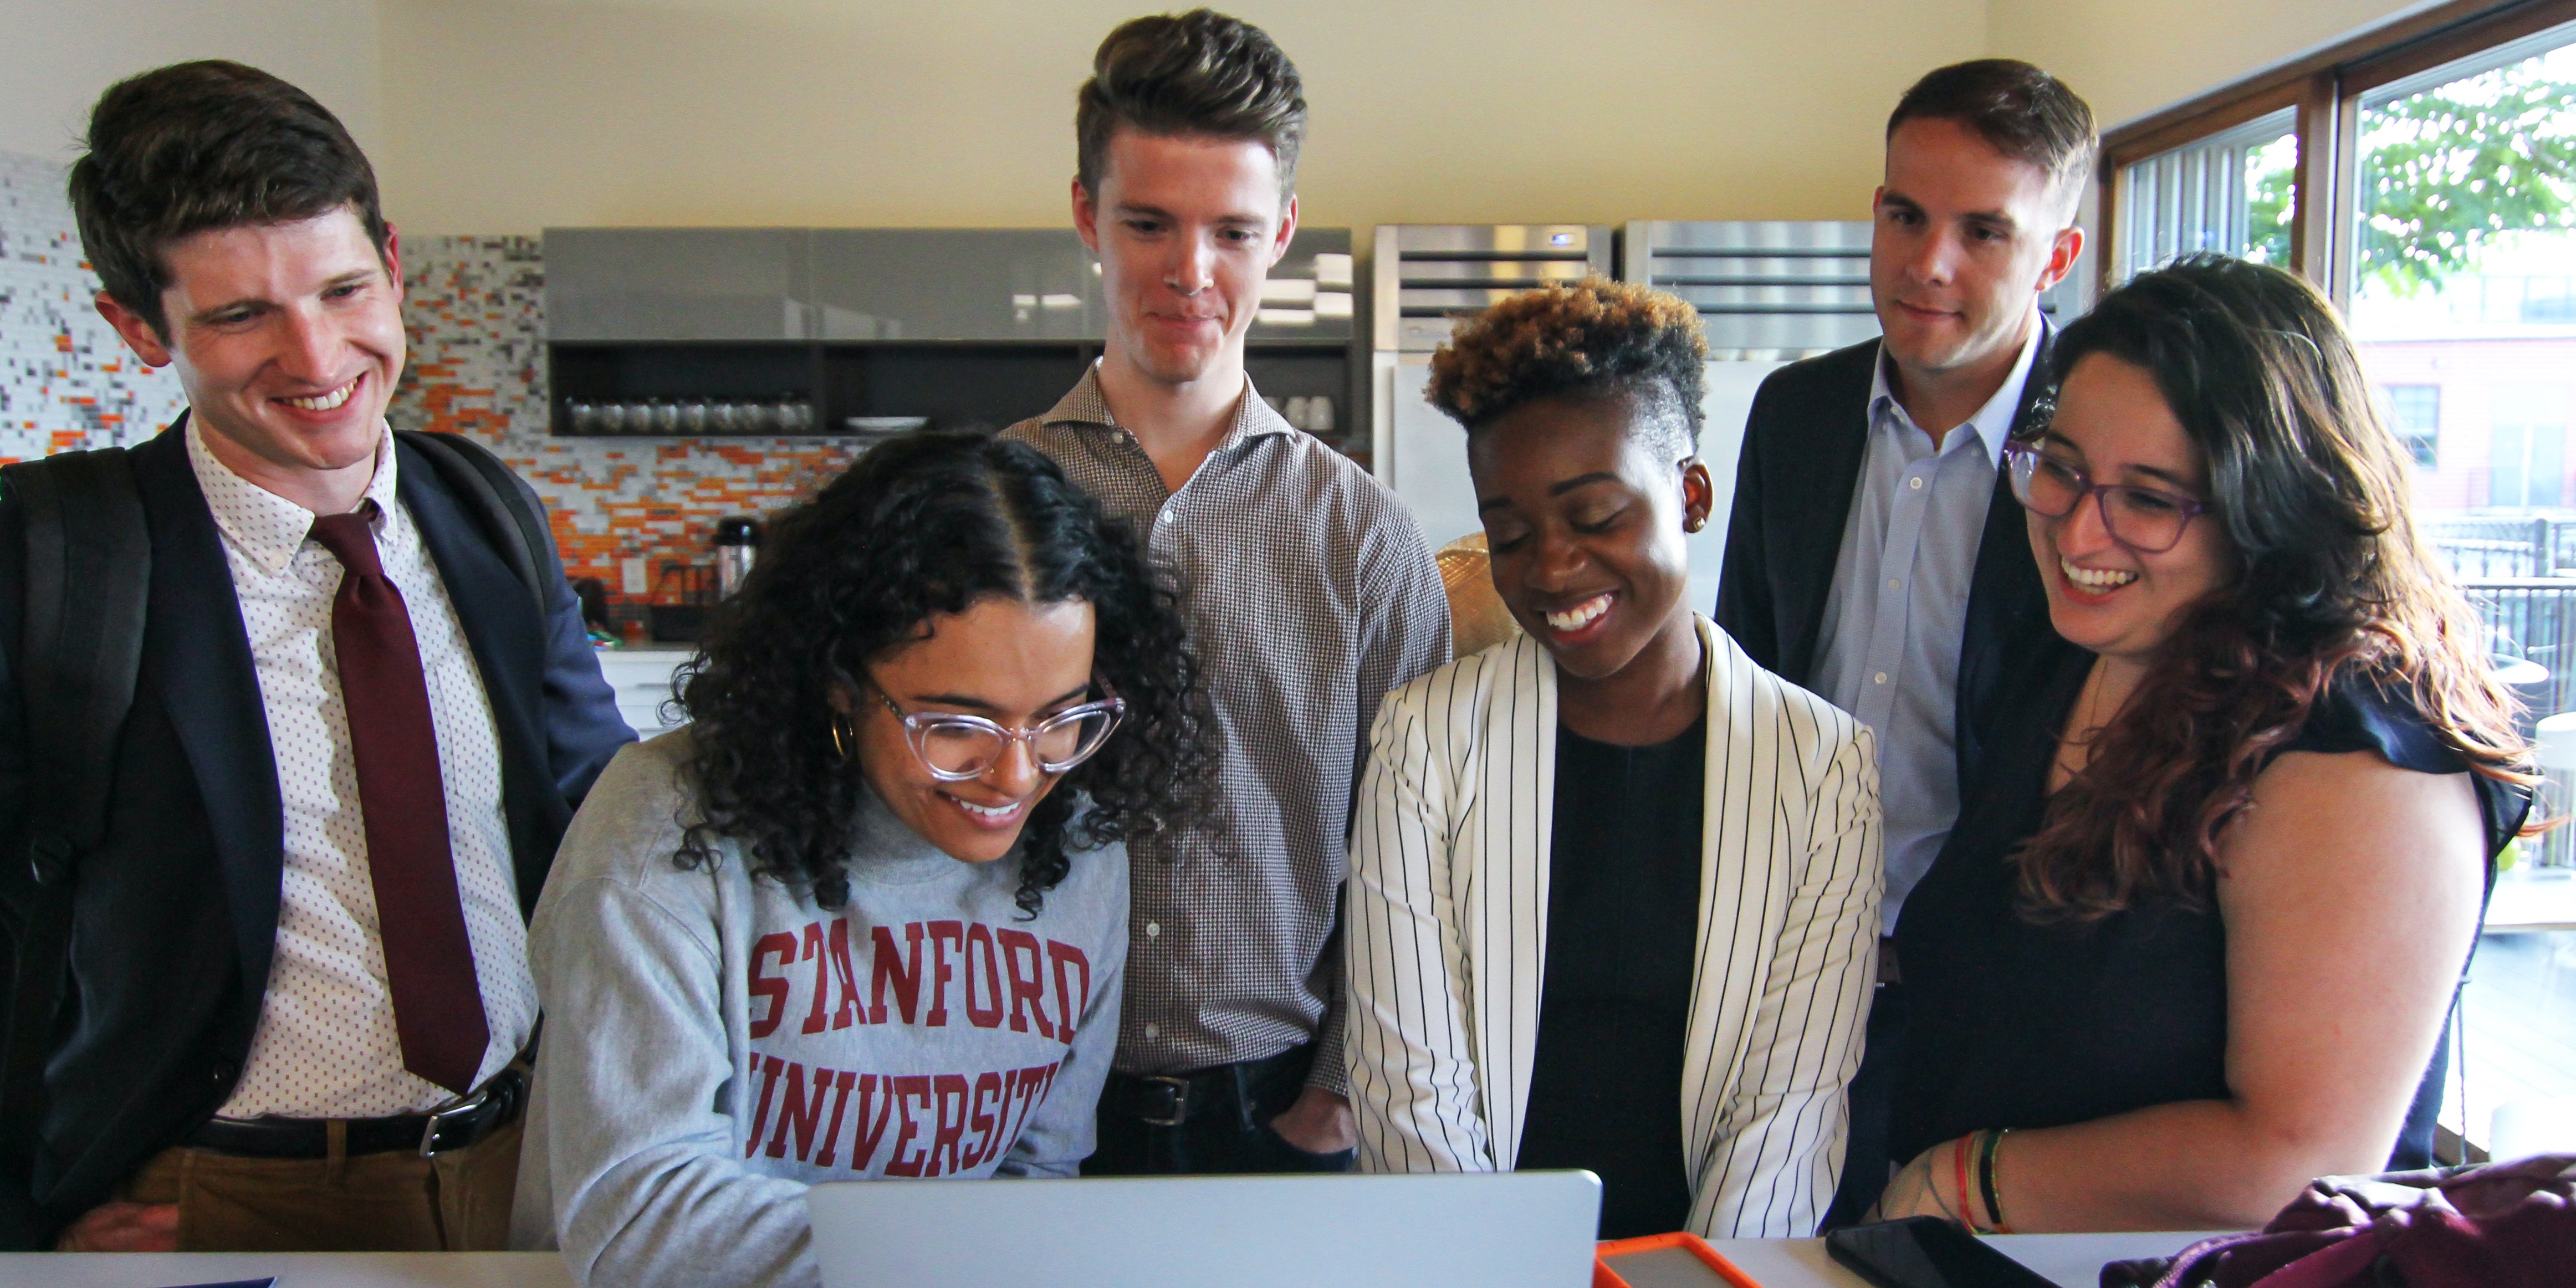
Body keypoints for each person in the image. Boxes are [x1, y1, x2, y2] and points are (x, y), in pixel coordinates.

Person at [0, 61, 633, 1251]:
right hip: (215, 1199)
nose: (316, 354)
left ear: (392, 265)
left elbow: (604, 814)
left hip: (522, 1165)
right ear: (138, 327)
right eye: (241, 315)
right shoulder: (51, 555)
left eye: (344, 289)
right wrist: (23, 1225)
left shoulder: (484, 509)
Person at [1874, 255, 2536, 1234]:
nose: (2077, 534)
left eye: (2147, 499)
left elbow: (2299, 1160)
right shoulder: (2082, 652)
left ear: (2272, 512)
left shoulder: (2357, 757)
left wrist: (1964, 1179)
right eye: (2060, 469)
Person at [513, 432, 1211, 1285]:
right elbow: (638, 1219)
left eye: (1063, 717)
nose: (1020, 776)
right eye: (957, 726)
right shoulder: (662, 827)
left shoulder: (1079, 838)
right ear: (841, 682)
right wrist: (983, 1259)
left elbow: (1038, 1173)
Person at [1003, 9, 1451, 1174]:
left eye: (1233, 232)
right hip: (1017, 1101)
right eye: (1147, 222)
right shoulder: (983, 507)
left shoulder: (1364, 538)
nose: (1188, 273)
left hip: (1279, 1115)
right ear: (1084, 214)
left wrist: (1348, 1082)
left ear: (1284, 233)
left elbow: (1422, 849)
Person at [1344, 278, 1883, 1239]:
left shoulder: (1823, 765)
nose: (1551, 568)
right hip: (1482, 1264)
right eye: (1510, 534)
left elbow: (1790, 1110)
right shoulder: (1426, 741)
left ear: (1691, 494)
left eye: (1595, 517)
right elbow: (1407, 1083)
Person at [1712, 58, 2093, 1228]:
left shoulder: (2093, 453)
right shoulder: (1794, 410)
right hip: (1788, 964)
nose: (1926, 262)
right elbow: (1745, 667)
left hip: (1997, 984)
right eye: (1901, 214)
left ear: (2054, 258)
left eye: (1983, 230)